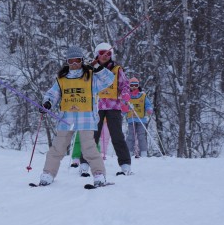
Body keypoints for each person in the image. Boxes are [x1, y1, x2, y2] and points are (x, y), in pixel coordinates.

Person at [36, 45, 115, 187]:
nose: (74, 64)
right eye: (70, 61)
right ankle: (48, 173)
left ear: (82, 61)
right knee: (58, 147)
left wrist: (97, 66)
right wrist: (47, 103)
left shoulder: (91, 76)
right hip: (66, 118)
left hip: (86, 118)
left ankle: (99, 174)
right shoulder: (62, 79)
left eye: (77, 61)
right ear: (67, 62)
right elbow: (52, 94)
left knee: (89, 148)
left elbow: (109, 80)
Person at [84, 42, 133, 175]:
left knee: (117, 135)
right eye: (102, 53)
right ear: (97, 55)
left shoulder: (117, 69)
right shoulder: (91, 68)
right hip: (95, 106)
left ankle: (125, 164)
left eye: (108, 54)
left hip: (113, 106)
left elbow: (124, 85)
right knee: (92, 135)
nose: (105, 56)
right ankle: (84, 163)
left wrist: (125, 94)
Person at [126, 77, 154, 158]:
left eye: (136, 85)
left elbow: (148, 104)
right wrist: (125, 108)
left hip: (141, 119)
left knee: (141, 136)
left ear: (138, 85)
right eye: (132, 85)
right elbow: (123, 106)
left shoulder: (142, 95)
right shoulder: (127, 95)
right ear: (129, 86)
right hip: (131, 119)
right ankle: (129, 152)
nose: (134, 87)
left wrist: (149, 109)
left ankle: (143, 153)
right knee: (131, 136)